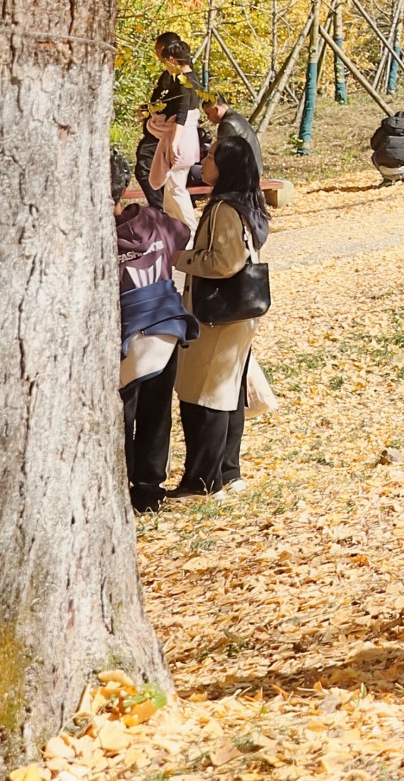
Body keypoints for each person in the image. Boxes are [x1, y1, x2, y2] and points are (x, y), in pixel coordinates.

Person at [172, 130, 269, 496]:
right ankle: (227, 473)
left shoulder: (226, 209)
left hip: (218, 315)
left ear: (227, 166)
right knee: (227, 394)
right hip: (236, 315)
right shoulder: (246, 204)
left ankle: (203, 481)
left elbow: (225, 262)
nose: (204, 161)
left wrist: (182, 259)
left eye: (211, 156)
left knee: (204, 396)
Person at [112, 148, 198, 513]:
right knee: (155, 413)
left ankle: (120, 484)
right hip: (166, 328)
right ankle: (148, 489)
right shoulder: (155, 220)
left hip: (126, 338)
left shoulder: (89, 239)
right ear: (125, 185)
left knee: (121, 416)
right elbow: (183, 235)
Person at [140, 31, 202, 228]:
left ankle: (190, 230)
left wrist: (174, 143)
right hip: (183, 137)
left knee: (176, 188)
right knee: (172, 189)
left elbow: (182, 114)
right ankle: (175, 230)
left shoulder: (185, 82)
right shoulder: (189, 78)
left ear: (172, 59)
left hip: (181, 138)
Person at [370, 110, 404, 185]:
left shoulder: (383, 129)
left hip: (385, 169)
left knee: (375, 154)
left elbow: (373, 146)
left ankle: (387, 179)